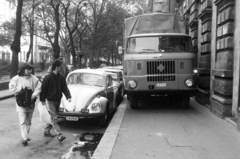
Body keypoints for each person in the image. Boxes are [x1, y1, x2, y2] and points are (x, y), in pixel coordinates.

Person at [9, 63, 41, 146]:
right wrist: (20, 89)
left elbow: (39, 87)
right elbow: (11, 88)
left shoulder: (34, 79)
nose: (30, 71)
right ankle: (24, 138)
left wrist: (34, 94)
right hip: (21, 103)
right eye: (28, 69)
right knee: (22, 121)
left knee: (29, 121)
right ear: (23, 69)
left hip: (30, 102)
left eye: (31, 70)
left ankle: (25, 135)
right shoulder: (16, 79)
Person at [40, 60, 72, 142]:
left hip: (58, 99)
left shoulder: (61, 77)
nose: (62, 68)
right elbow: (43, 89)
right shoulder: (48, 77)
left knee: (53, 117)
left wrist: (68, 96)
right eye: (60, 66)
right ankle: (59, 134)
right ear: (57, 67)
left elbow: (64, 88)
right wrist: (42, 99)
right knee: (54, 117)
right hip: (50, 100)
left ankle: (47, 130)